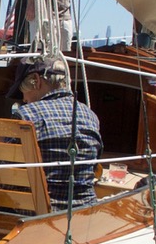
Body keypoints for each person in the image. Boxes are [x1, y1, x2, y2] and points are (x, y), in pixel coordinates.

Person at [10, 56, 102, 210]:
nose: (24, 99)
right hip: (86, 210)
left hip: (38, 213)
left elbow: (6, 178)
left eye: (23, 91)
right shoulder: (90, 115)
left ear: (36, 81)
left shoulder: (26, 115)